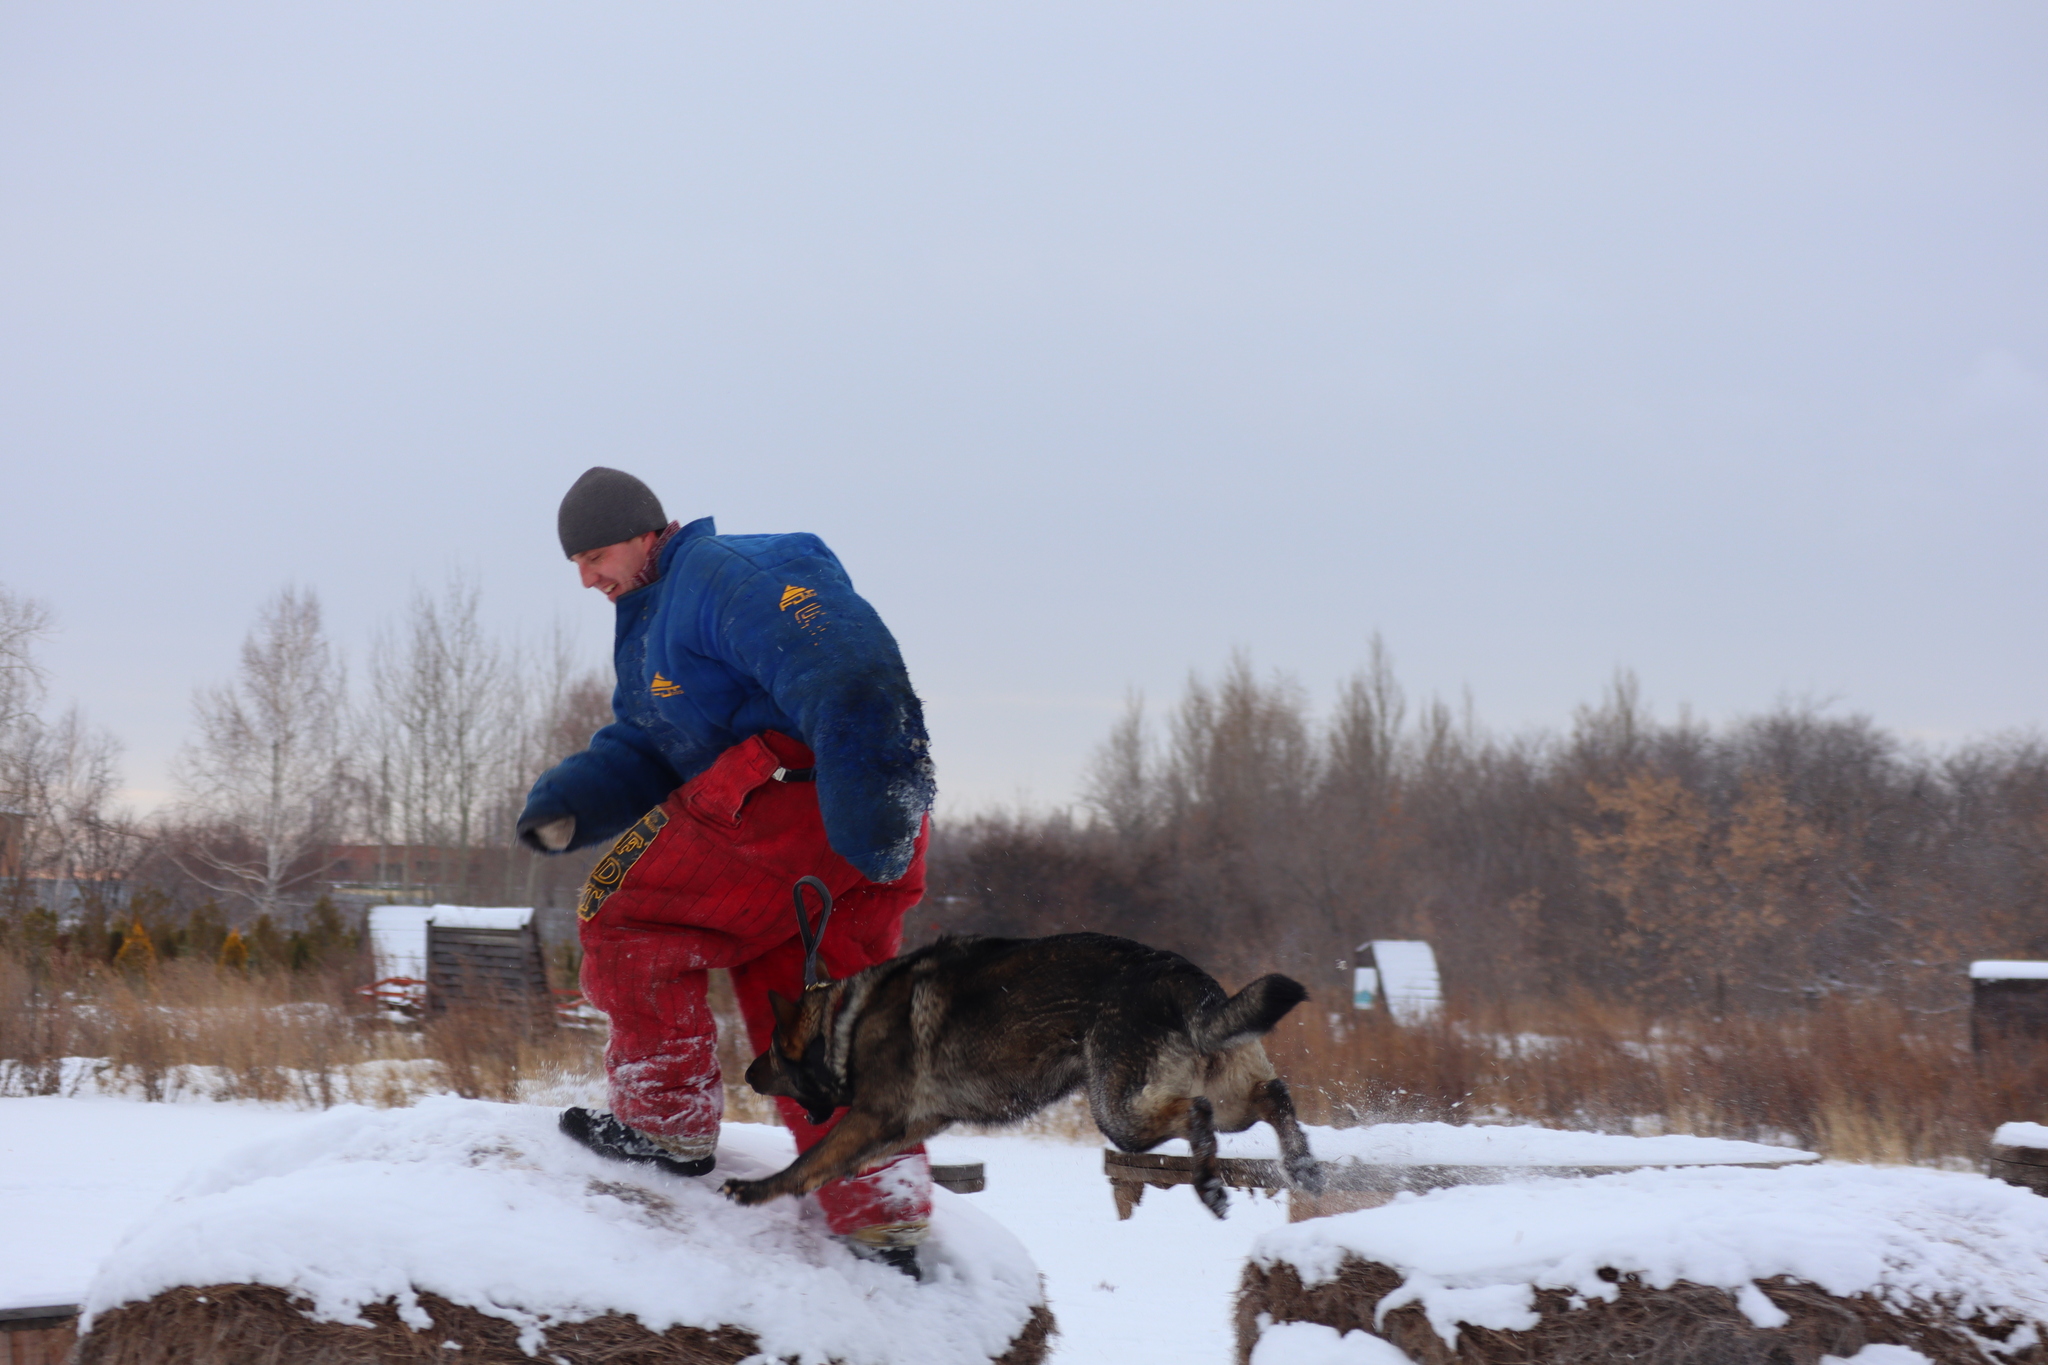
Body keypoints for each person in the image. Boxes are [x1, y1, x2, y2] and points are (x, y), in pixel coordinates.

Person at [517, 467, 937, 1275]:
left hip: (811, 796)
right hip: (834, 820)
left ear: (645, 533)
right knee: (808, 988)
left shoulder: (722, 573)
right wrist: (574, 799)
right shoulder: (651, 623)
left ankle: (662, 1120)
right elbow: (650, 746)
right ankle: (881, 1205)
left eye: (596, 555)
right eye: (575, 563)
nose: (586, 578)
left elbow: (844, 661)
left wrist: (875, 791)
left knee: (629, 914)